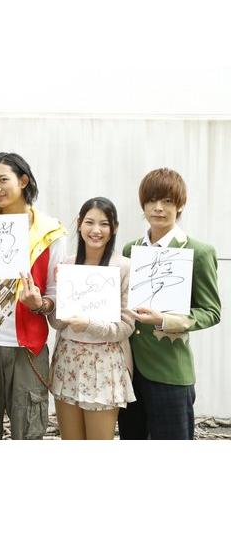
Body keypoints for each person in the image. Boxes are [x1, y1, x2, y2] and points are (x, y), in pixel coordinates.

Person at [0, 152, 66, 439]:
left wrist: (40, 304)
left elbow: (56, 294)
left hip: (28, 346)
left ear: (23, 180)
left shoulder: (51, 232)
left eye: (3, 180)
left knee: (29, 430)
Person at [118, 168, 221, 440]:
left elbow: (211, 312)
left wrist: (164, 320)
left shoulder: (198, 252)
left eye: (167, 201)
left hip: (170, 371)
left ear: (181, 205)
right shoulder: (130, 249)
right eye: (152, 200)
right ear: (143, 204)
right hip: (129, 371)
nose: (158, 208)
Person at [48, 197, 136, 440]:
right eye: (89, 222)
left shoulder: (124, 267)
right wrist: (53, 301)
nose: (96, 230)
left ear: (114, 228)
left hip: (105, 364)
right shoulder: (67, 264)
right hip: (68, 360)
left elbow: (126, 326)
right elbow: (56, 322)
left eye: (104, 224)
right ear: (79, 224)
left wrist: (89, 324)